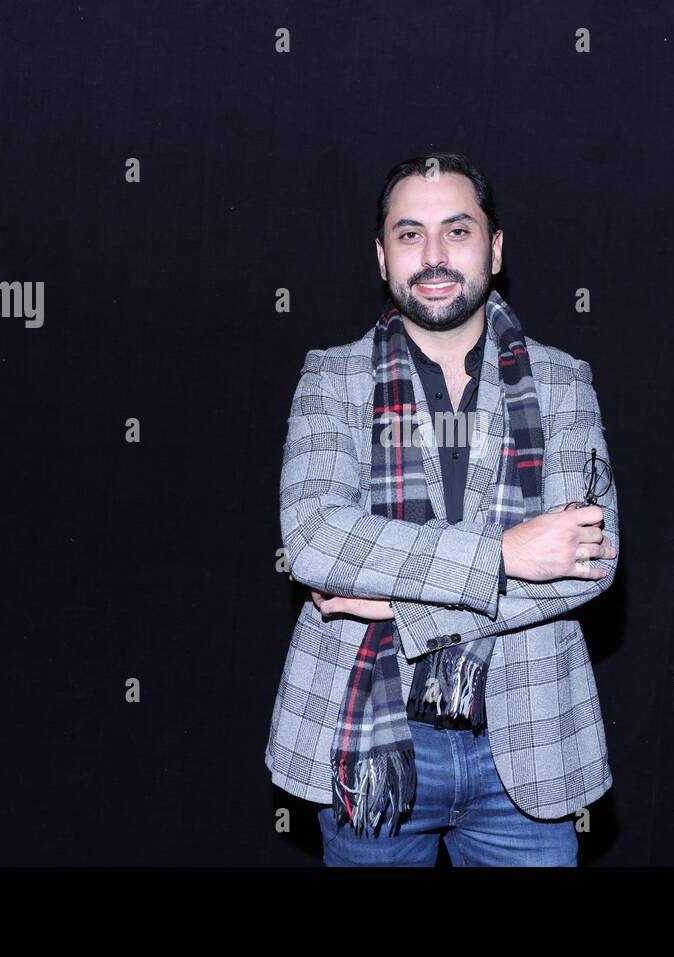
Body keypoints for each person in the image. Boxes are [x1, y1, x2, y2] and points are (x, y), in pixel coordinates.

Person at [264, 152, 620, 866]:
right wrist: (504, 554)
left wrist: (395, 605)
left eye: (457, 232)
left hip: (529, 742)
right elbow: (315, 541)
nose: (432, 255)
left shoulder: (562, 382)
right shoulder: (331, 378)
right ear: (381, 253)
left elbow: (588, 566)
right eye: (409, 234)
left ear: (494, 247)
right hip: (371, 743)